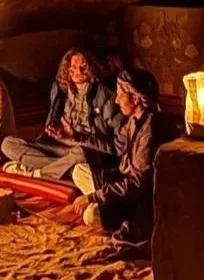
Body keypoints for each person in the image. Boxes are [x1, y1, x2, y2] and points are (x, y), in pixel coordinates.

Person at [71, 70, 168, 242]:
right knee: (79, 171)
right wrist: (76, 137)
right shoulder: (133, 120)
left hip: (137, 199)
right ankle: (102, 202)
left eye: (120, 94)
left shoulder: (150, 131)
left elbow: (138, 183)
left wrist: (93, 197)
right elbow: (115, 146)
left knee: (90, 216)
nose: (116, 100)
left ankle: (107, 208)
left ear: (136, 98)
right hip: (122, 180)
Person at [1, 48, 122, 180]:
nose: (78, 72)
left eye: (84, 67)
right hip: (60, 147)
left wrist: (78, 137)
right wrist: (56, 132)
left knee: (80, 154)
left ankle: (38, 173)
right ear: (67, 69)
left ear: (92, 67)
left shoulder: (104, 95)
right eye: (74, 67)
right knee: (8, 144)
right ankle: (65, 170)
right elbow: (54, 124)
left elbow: (114, 147)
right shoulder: (62, 91)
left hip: (86, 149)